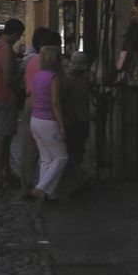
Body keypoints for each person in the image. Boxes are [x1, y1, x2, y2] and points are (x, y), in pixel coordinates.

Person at [19, 27, 62, 199]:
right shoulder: (53, 65)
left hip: (30, 104)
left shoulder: (31, 62)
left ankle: (27, 186)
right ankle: (45, 188)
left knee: (30, 149)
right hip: (46, 108)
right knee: (55, 153)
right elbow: (57, 94)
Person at [0, 17, 25, 186]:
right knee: (2, 136)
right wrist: (22, 71)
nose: (19, 39)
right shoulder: (6, 49)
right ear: (14, 33)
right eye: (19, 35)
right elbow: (8, 77)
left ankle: (6, 170)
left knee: (5, 135)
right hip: (5, 95)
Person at [30, 44, 68, 201]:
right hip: (48, 120)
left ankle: (46, 193)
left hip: (35, 119)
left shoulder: (38, 76)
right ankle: (41, 188)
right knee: (61, 157)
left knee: (46, 158)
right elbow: (55, 102)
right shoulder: (54, 77)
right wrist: (61, 124)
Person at [61, 50, 92, 193]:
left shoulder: (65, 80)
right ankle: (78, 177)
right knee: (78, 151)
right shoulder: (87, 79)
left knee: (70, 151)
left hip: (70, 120)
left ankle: (76, 178)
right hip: (83, 119)